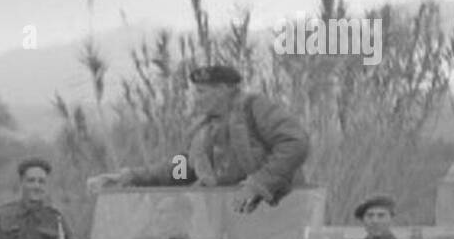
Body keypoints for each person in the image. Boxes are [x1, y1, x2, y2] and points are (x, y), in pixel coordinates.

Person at [99, 64, 309, 214]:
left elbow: (295, 142)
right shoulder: (203, 129)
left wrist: (259, 184)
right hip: (235, 220)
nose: (196, 98)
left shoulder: (254, 107)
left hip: (277, 214)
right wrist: (132, 177)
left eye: (201, 92)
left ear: (223, 90)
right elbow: (183, 169)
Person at [348, 194, 418, 239]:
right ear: (363, 220)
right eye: (370, 216)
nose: (375, 221)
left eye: (381, 216)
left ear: (391, 219)